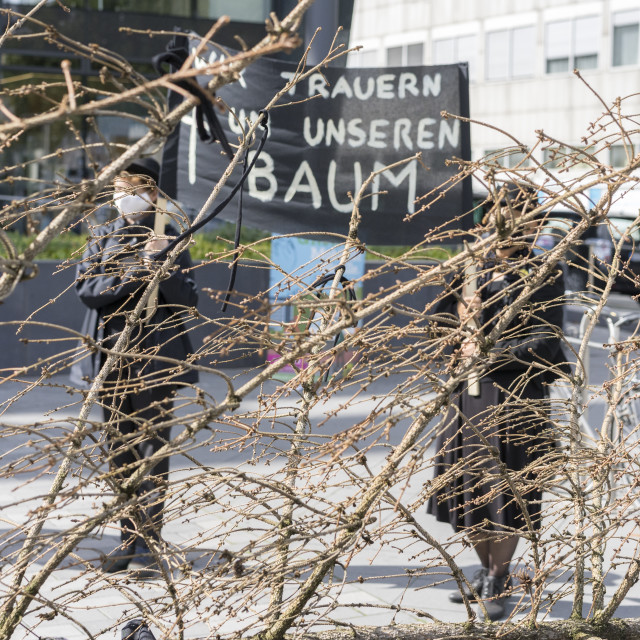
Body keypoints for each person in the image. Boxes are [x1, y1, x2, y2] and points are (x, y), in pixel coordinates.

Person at [426, 184, 568, 620]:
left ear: (535, 225)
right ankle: (486, 569)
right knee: (466, 489)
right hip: (466, 397)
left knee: (507, 490)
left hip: (515, 396)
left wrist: (488, 352)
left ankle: (499, 578)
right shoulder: (470, 267)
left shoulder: (544, 272)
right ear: (488, 218)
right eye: (501, 214)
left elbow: (546, 340)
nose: (510, 224)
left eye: (524, 217)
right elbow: (436, 315)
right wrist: (453, 333)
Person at [71, 157, 198, 578]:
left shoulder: (171, 236)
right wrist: (132, 277)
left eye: (135, 189)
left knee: (152, 449)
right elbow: (87, 289)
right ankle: (127, 539)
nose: (126, 197)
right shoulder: (102, 235)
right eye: (120, 188)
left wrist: (163, 266)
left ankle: (150, 543)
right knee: (120, 452)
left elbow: (188, 298)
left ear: (154, 193)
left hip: (157, 361)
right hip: (111, 359)